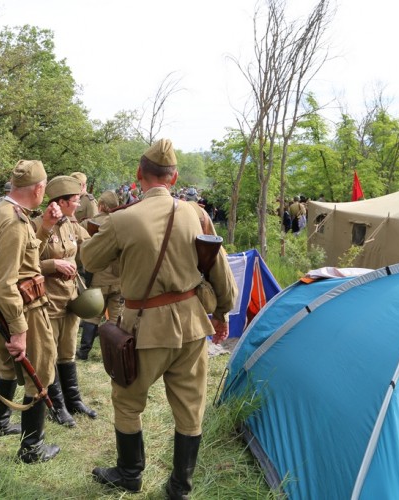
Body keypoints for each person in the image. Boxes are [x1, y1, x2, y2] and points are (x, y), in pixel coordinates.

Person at [81, 139, 238, 498]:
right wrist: (221, 312)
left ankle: (129, 473)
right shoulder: (197, 214)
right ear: (175, 177)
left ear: (138, 176)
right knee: (189, 408)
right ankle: (180, 487)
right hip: (193, 326)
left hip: (143, 328)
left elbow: (89, 261)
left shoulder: (123, 219)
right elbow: (219, 268)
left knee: (126, 400)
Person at [0, 160, 64, 463]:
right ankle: (32, 448)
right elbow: (6, 282)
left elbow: (24, 258)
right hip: (22, 307)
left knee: (7, 369)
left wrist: (45, 228)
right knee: (39, 370)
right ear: (39, 188)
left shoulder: (2, 211)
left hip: (9, 304)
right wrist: (20, 329)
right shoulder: (14, 221)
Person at [31, 175, 97, 428]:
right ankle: (56, 406)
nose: (78, 205)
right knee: (49, 355)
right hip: (48, 301)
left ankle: (74, 400)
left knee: (68, 352)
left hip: (71, 299)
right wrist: (52, 264)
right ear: (61, 201)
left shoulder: (71, 224)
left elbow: (92, 243)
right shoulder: (39, 224)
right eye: (74, 201)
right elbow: (26, 262)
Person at [76, 190, 122, 361]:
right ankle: (112, 353)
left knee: (93, 315)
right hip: (118, 278)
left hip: (99, 277)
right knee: (115, 316)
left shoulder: (90, 223)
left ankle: (84, 351)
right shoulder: (121, 224)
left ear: (101, 205)